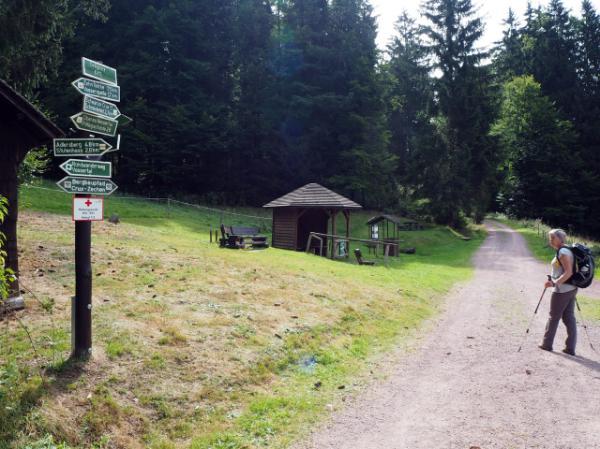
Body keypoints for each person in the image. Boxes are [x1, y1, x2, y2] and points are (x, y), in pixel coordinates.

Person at [539, 229, 577, 355]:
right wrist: (553, 278)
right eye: (550, 237)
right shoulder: (566, 249)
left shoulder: (563, 252)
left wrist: (554, 283)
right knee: (569, 317)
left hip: (562, 290)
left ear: (560, 239)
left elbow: (568, 272)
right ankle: (570, 348)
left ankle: (546, 344)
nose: (550, 240)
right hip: (571, 288)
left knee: (553, 317)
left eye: (553, 238)